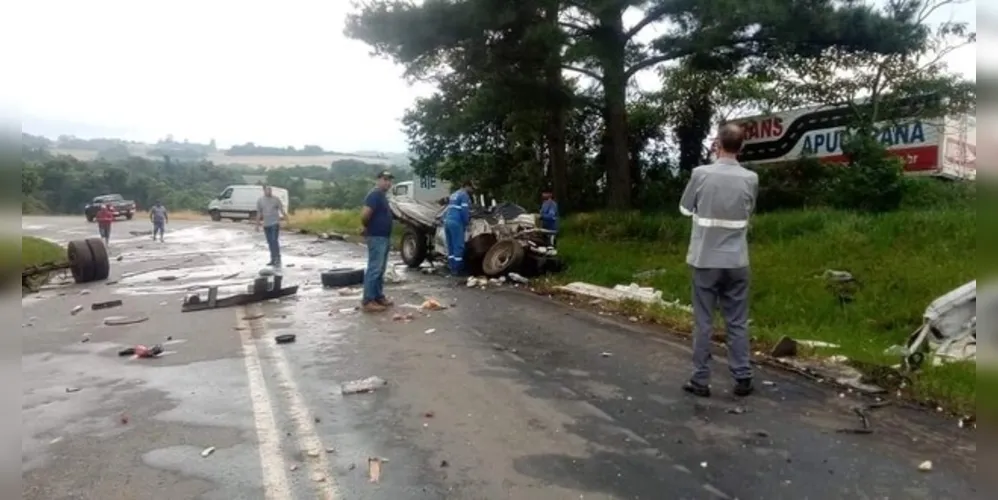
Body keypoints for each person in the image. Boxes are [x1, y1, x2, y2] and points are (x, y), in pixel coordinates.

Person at [679, 123, 759, 399]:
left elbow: (684, 207)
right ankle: (743, 377)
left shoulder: (701, 174)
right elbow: (750, 211)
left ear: (717, 144)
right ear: (741, 147)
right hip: (737, 261)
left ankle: (701, 380)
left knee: (704, 322)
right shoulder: (751, 178)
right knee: (737, 320)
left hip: (705, 259)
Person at [360, 171, 395, 312]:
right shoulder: (374, 195)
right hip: (376, 236)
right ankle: (368, 300)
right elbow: (365, 214)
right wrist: (366, 226)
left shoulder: (383, 196)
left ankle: (378, 296)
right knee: (374, 268)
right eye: (385, 179)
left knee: (380, 269)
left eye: (389, 180)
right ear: (378, 180)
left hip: (384, 236)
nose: (387, 182)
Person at [443, 180, 475, 276]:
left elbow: (449, 208)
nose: (472, 190)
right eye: (472, 188)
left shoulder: (454, 194)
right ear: (467, 186)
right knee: (459, 246)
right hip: (456, 223)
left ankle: (452, 268)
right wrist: (467, 223)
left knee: (451, 246)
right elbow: (464, 211)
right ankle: (458, 270)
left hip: (447, 221)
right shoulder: (464, 195)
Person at [255, 185, 287, 268]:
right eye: (267, 190)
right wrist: (257, 225)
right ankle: (273, 259)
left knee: (274, 241)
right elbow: (259, 213)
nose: (269, 192)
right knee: (270, 242)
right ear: (264, 191)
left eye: (270, 191)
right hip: (266, 224)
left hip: (275, 223)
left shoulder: (276, 199)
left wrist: (286, 219)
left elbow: (281, 209)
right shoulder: (260, 200)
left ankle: (277, 258)